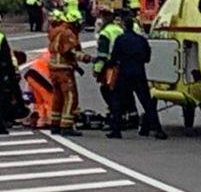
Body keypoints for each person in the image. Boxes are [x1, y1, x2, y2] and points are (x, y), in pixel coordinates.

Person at [107, 15, 166, 139]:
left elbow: (114, 58)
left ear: (123, 25)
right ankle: (157, 129)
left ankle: (116, 130)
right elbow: (147, 58)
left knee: (117, 101)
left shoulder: (120, 39)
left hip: (124, 73)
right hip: (139, 73)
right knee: (147, 102)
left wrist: (110, 65)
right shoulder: (141, 40)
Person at [48, 8, 92, 136]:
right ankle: (66, 126)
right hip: (63, 70)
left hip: (54, 69)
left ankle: (55, 124)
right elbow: (69, 52)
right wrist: (87, 58)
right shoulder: (68, 33)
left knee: (58, 97)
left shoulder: (56, 31)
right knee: (71, 97)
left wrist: (76, 67)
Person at [94, 9, 138, 127]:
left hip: (111, 67)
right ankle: (132, 115)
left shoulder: (105, 33)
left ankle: (117, 115)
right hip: (124, 65)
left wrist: (97, 70)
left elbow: (102, 55)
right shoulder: (119, 30)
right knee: (126, 91)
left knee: (108, 90)